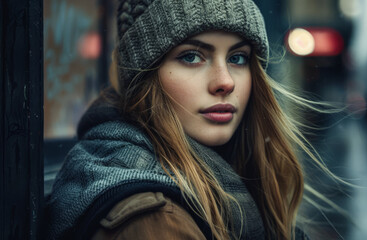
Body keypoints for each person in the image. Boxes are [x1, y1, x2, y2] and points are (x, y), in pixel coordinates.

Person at [46, 0, 318, 239]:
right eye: (191, 57)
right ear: (146, 76)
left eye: (237, 58)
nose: (225, 82)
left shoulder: (226, 177)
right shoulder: (153, 220)